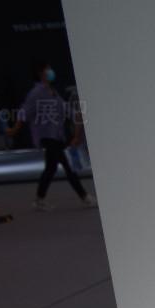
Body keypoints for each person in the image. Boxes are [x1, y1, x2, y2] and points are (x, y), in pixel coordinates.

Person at [8, 61, 95, 210]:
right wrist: (14, 129)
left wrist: (77, 118)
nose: (51, 71)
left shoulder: (52, 92)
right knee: (68, 167)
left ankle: (39, 199)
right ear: (41, 73)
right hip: (47, 137)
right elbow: (24, 111)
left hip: (57, 136)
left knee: (51, 168)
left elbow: (65, 108)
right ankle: (85, 197)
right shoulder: (36, 93)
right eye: (47, 69)